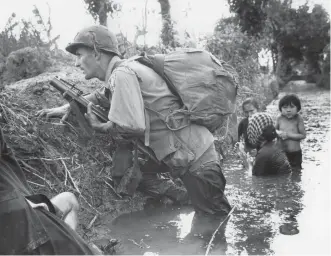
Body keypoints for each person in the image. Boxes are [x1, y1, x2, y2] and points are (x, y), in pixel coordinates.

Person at [36, 25, 231, 216]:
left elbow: (133, 128)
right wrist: (66, 106)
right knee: (139, 174)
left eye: (79, 55)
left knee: (214, 229)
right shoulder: (126, 70)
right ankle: (182, 197)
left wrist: (101, 126)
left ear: (96, 53)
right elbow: (100, 95)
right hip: (193, 156)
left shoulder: (122, 75)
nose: (76, 63)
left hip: (197, 164)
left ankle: (189, 199)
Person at [0, 127, 99, 255]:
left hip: (21, 210)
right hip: (15, 218)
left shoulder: (4, 156)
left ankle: (67, 241)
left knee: (68, 199)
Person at [275, 94, 306, 171]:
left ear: (298, 108)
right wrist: (278, 133)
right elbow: (274, 131)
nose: (288, 110)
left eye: (292, 107)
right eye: (285, 107)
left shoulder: (298, 119)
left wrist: (288, 135)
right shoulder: (279, 118)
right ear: (281, 109)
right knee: (283, 172)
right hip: (282, 153)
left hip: (295, 153)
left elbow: (303, 135)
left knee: (296, 172)